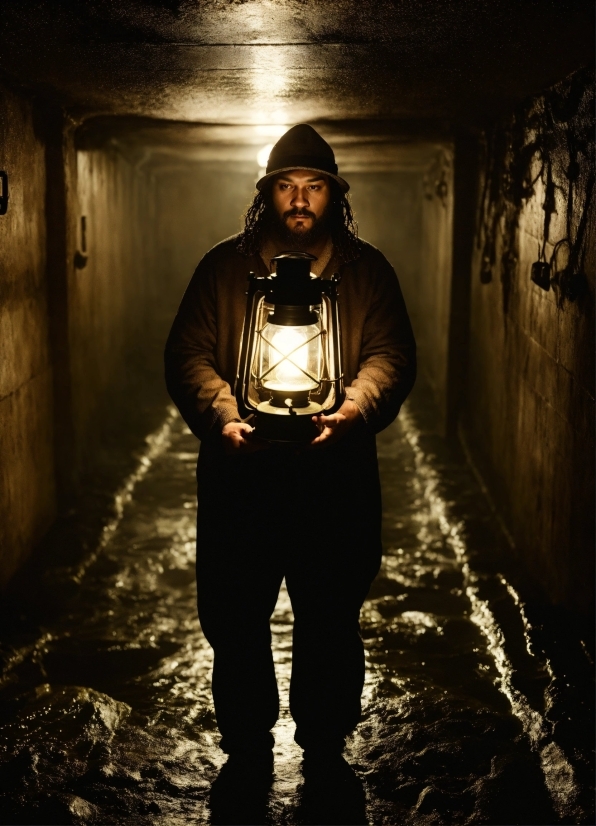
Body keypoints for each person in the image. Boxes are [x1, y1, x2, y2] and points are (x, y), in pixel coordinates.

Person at [164, 124, 416, 769]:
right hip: (241, 477)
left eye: (313, 187)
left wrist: (354, 408)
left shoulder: (368, 272)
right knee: (237, 619)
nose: (299, 200)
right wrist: (224, 416)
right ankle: (247, 745)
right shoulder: (224, 268)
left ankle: (325, 747)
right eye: (286, 186)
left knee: (330, 616)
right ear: (266, 195)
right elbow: (190, 353)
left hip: (333, 479)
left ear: (334, 196)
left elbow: (390, 354)